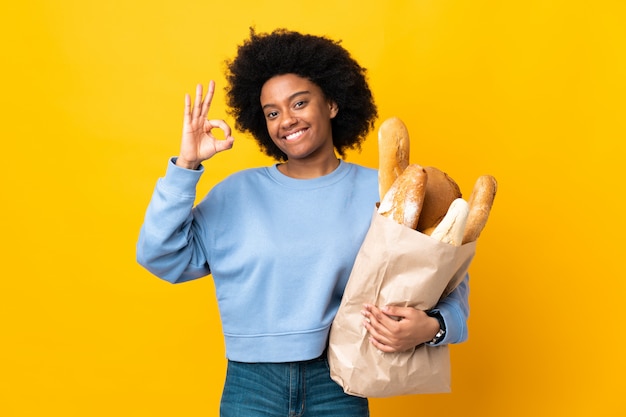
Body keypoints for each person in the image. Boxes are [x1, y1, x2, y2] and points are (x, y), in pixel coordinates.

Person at [137, 28, 470, 417]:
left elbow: (448, 286)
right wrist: (187, 164)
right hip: (251, 386)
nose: (286, 121)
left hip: (340, 380)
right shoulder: (235, 194)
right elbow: (160, 255)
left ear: (331, 103)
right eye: (272, 112)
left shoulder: (384, 190)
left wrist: (431, 328)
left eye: (299, 103)